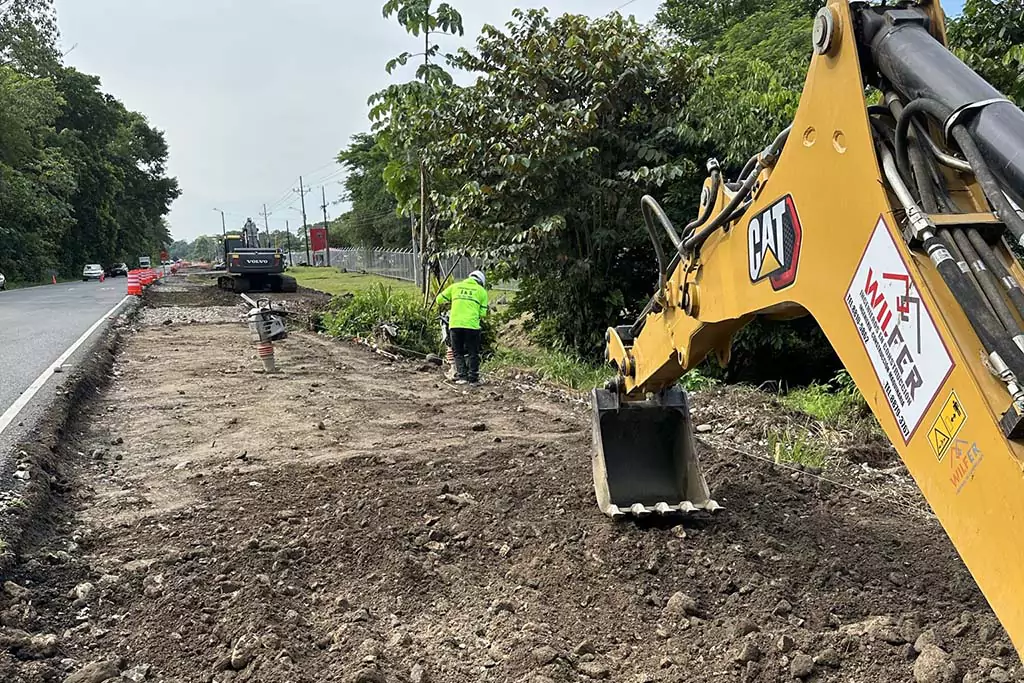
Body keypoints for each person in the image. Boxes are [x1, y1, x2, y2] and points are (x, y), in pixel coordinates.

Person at [435, 270, 489, 385]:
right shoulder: (482, 291)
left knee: (457, 352)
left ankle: (462, 377)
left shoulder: (455, 287)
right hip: (472, 326)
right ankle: (473, 378)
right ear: (481, 282)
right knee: (473, 352)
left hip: (455, 325)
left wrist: (454, 300)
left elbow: (439, 299)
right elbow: (483, 314)